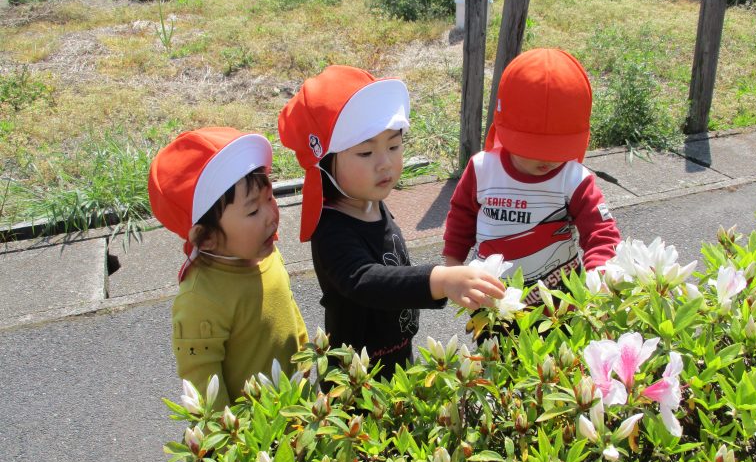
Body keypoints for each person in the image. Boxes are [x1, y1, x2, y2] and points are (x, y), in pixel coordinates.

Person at [278, 65, 505, 378]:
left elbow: (396, 269)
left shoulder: (371, 204)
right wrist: (439, 281)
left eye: (394, 146)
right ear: (326, 162)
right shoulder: (331, 228)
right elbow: (366, 280)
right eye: (366, 152)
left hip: (397, 359)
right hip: (357, 382)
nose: (385, 162)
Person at [443, 48, 621, 305]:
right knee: (496, 346)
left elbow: (601, 233)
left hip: (561, 300)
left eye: (558, 149)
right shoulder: (483, 169)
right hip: (495, 300)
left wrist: (600, 276)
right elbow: (461, 217)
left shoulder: (574, 180)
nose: (547, 159)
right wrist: (452, 265)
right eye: (533, 148)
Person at [148, 127, 309, 408]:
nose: (271, 216)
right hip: (253, 435)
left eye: (269, 198)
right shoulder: (200, 299)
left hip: (300, 407)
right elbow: (202, 388)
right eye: (252, 211)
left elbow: (291, 315)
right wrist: (233, 444)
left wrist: (310, 365)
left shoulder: (266, 253)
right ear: (205, 237)